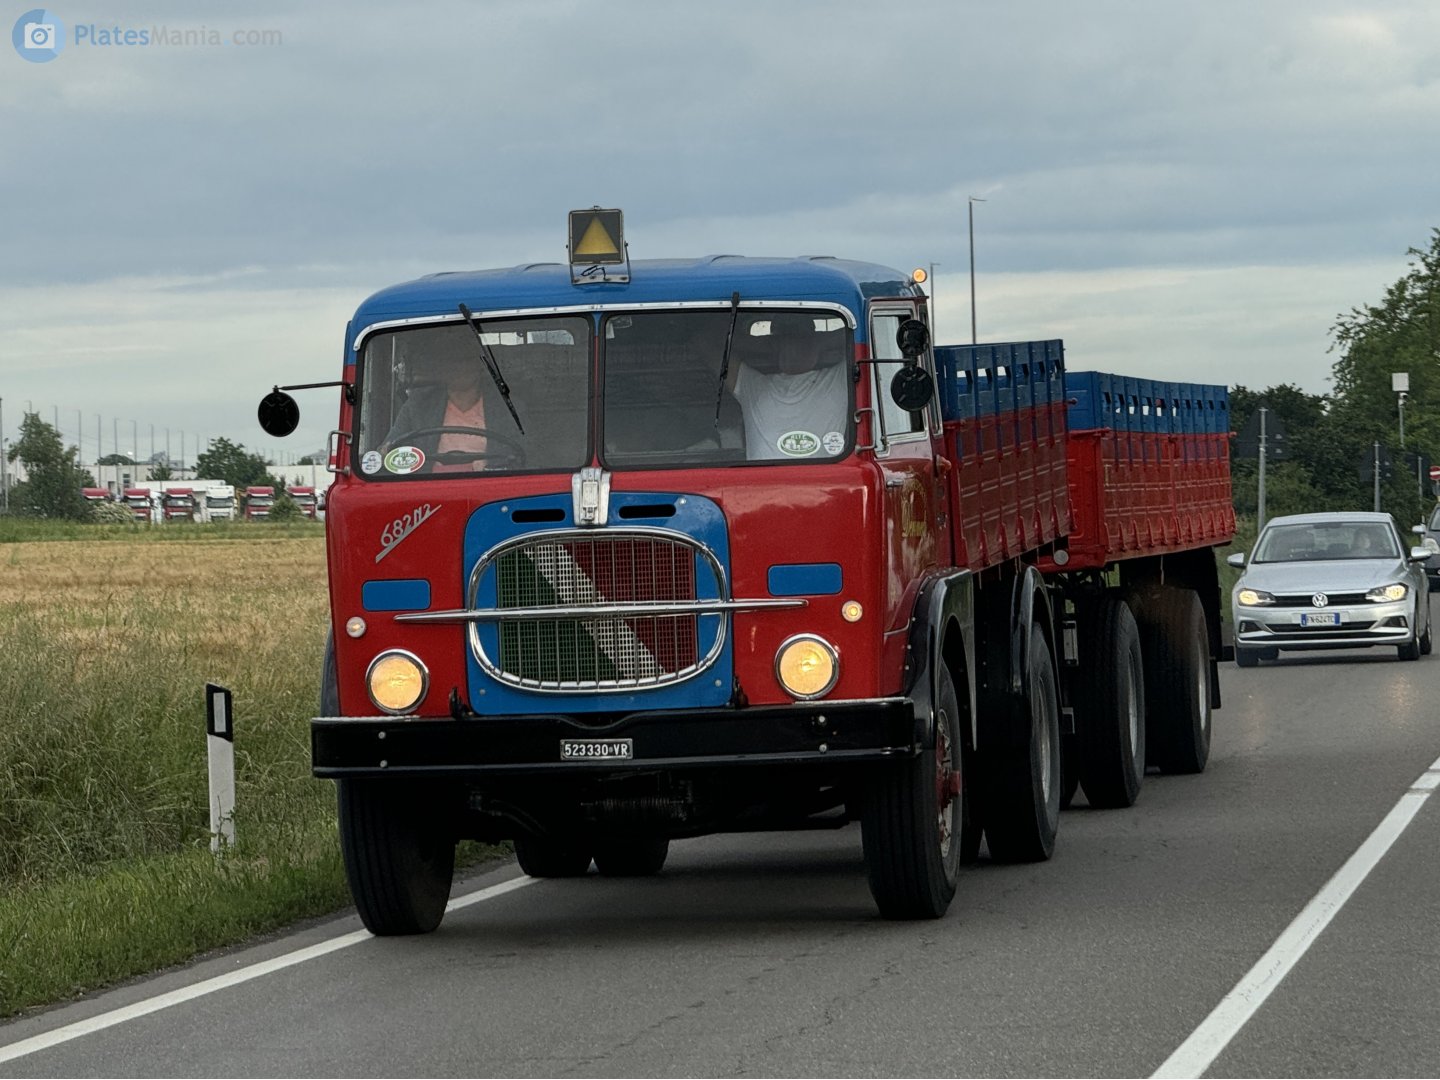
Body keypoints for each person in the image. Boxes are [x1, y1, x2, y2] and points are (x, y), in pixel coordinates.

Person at [732, 314, 849, 461]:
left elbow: (863, 331)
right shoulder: (754, 385)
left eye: (799, 338)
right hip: (767, 482)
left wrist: (817, 342)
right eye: (782, 340)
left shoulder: (839, 379)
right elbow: (707, 342)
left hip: (823, 481)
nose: (791, 347)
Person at [380, 339, 499, 473]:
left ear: (480, 366)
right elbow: (391, 448)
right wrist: (389, 451)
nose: (457, 367)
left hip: (491, 486)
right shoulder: (418, 405)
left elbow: (523, 453)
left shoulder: (507, 408)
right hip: (430, 488)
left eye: (464, 360)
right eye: (451, 361)